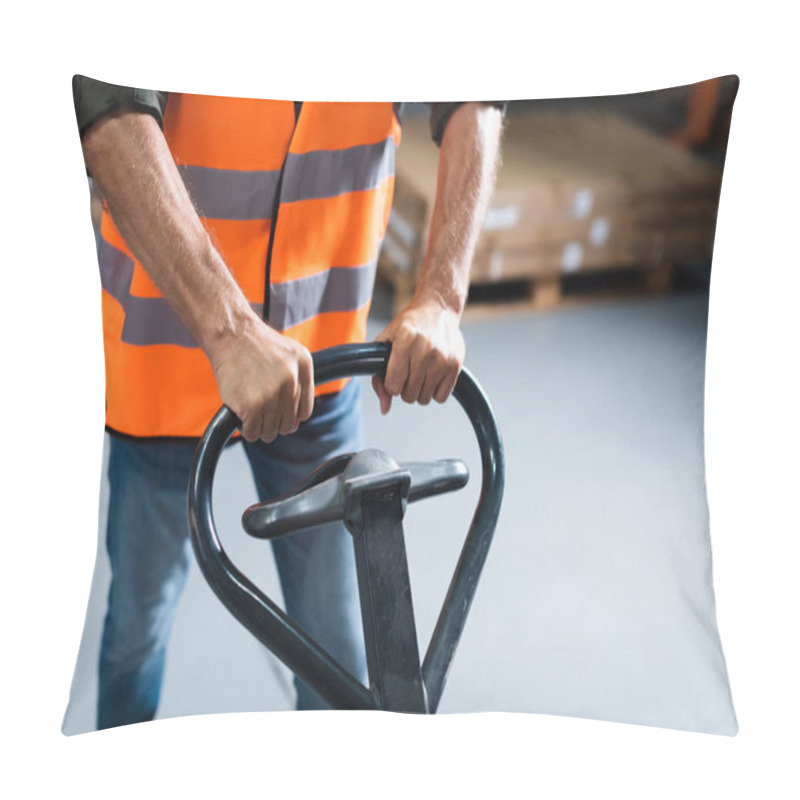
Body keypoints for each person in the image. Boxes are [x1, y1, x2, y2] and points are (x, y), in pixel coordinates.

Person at [69, 76, 504, 728]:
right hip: (162, 366)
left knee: (335, 651)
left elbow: (476, 85)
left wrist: (442, 294)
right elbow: (109, 119)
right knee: (139, 622)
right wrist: (231, 331)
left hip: (318, 365)